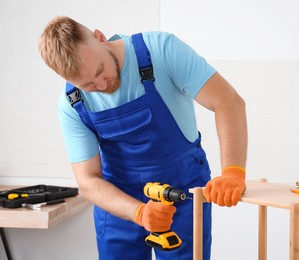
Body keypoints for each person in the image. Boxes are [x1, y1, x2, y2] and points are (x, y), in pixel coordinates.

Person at [38, 16, 247, 260]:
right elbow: (88, 181)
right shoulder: (71, 104)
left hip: (182, 189)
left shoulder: (161, 51)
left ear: (100, 38)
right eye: (89, 85)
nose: (102, 85)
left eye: (100, 71)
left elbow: (228, 102)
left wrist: (233, 171)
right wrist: (139, 213)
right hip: (119, 202)